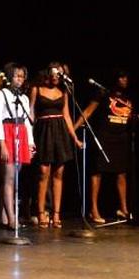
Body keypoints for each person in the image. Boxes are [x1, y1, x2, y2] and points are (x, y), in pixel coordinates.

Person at [75, 71, 135, 224]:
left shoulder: (127, 98)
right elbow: (88, 111)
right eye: (121, 77)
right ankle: (93, 209)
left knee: (121, 173)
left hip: (120, 139)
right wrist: (73, 129)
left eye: (126, 77)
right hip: (104, 137)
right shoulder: (103, 94)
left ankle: (123, 209)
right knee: (98, 172)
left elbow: (127, 117)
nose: (125, 80)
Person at [30, 62, 83, 228]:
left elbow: (66, 116)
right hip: (43, 131)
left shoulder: (64, 91)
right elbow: (30, 111)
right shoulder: (36, 89)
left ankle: (56, 213)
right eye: (54, 73)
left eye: (59, 74)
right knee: (43, 172)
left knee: (59, 173)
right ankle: (40, 212)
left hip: (60, 132)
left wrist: (75, 138)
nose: (56, 76)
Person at [0, 63, 35, 230]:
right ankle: (12, 218)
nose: (20, 79)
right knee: (8, 178)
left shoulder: (23, 98)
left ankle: (4, 215)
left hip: (20, 134)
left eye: (22, 76)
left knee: (13, 178)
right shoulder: (0, 95)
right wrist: (1, 144)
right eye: (17, 76)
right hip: (7, 135)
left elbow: (27, 123)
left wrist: (30, 142)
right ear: (10, 77)